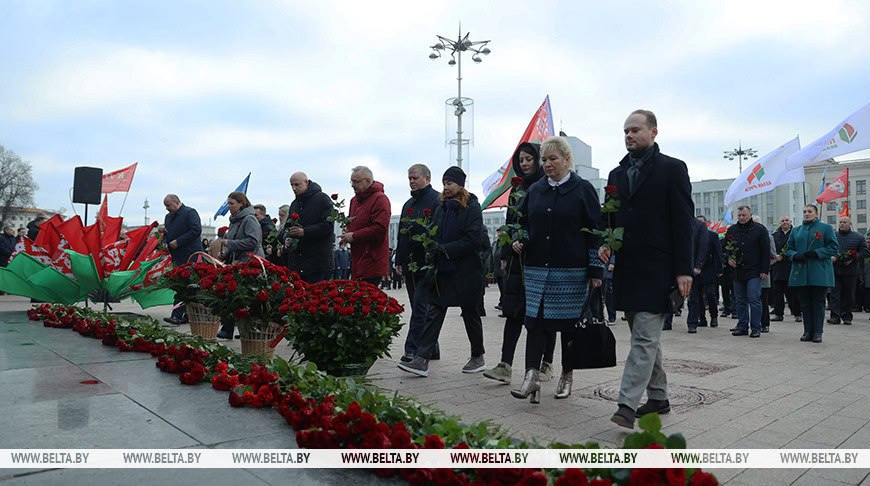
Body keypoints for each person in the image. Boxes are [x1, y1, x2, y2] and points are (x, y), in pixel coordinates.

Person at [600, 109, 694, 429]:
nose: (629, 135)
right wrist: (605, 242)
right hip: (626, 269)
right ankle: (659, 396)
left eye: (636, 130)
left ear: (654, 132)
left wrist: (684, 270)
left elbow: (683, 223)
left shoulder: (672, 169)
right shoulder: (616, 174)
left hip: (659, 269)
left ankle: (626, 404)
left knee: (643, 338)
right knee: (644, 337)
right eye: (626, 131)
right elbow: (609, 217)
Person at [506, 137, 603, 403]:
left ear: (567, 160)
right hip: (537, 271)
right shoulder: (536, 190)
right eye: (544, 160)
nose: (547, 164)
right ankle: (530, 377)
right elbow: (521, 222)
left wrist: (596, 270)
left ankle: (567, 375)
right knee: (534, 324)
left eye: (553, 159)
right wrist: (520, 237)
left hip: (571, 272)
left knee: (569, 328)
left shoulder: (583, 189)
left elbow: (596, 231)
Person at [398, 166, 486, 377]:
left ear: (460, 185)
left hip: (467, 272)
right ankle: (422, 358)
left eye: (450, 183)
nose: (446, 187)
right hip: (444, 271)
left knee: (470, 313)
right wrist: (431, 247)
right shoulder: (441, 208)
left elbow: (473, 240)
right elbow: (435, 233)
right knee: (435, 311)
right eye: (444, 183)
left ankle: (477, 356)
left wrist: (446, 249)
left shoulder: (472, 207)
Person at [483, 142, 558, 385]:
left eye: (529, 159)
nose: (525, 164)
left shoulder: (548, 187)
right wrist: (506, 252)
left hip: (542, 261)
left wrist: (528, 239)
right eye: (521, 160)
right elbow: (510, 224)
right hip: (518, 261)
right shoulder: (516, 191)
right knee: (513, 312)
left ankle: (546, 363)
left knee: (545, 316)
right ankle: (505, 365)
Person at [395, 164, 442, 363]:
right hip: (410, 265)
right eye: (409, 179)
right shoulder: (408, 205)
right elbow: (402, 234)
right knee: (418, 306)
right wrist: (399, 260)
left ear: (427, 178)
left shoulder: (438, 201)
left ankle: (412, 350)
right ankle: (432, 348)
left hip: (427, 263)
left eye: (415, 178)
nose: (412, 182)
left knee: (422, 306)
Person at [786, 204, 838, 343]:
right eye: (804, 211)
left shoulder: (826, 228)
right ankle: (807, 330)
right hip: (801, 271)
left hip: (819, 271)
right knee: (804, 303)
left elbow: (834, 247)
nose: (807, 214)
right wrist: (795, 255)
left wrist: (817, 253)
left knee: (818, 302)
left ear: (816, 213)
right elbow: (789, 248)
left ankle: (818, 332)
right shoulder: (796, 231)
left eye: (810, 211)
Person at [217, 191, 264, 339]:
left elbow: (253, 241)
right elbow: (234, 243)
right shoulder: (235, 221)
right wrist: (225, 253)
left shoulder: (249, 219)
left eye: (231, 203)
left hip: (251, 263)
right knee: (234, 295)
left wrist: (230, 243)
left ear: (241, 204)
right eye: (228, 203)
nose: (228, 206)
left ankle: (241, 329)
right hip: (239, 262)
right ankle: (230, 328)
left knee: (244, 297)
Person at [725, 206, 770, 338]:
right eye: (739, 215)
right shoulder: (732, 230)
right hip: (738, 271)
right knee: (740, 300)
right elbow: (725, 248)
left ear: (750, 215)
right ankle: (742, 325)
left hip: (754, 271)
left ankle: (756, 327)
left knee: (754, 298)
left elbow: (765, 251)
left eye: (744, 215)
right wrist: (728, 258)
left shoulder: (760, 229)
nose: (741, 217)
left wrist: (764, 269)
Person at [341, 166, 391, 285]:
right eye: (351, 181)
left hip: (372, 260)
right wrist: (347, 232)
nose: (352, 185)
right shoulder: (354, 201)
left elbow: (379, 229)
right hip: (357, 260)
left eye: (355, 182)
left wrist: (354, 236)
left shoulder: (380, 199)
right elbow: (352, 223)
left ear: (367, 181)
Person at [285, 172, 335, 284]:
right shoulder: (295, 204)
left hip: (317, 263)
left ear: (306, 182)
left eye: (297, 185)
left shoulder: (322, 199)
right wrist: (287, 238)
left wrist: (304, 232)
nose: (294, 188)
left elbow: (328, 226)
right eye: (291, 185)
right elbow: (287, 228)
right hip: (298, 262)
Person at [162, 194, 202, 325]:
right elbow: (167, 234)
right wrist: (165, 243)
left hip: (191, 255)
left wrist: (178, 242)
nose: (167, 209)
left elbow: (196, 230)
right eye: (165, 206)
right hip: (177, 257)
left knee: (186, 285)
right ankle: (184, 315)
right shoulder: (168, 217)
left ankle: (179, 315)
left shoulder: (190, 212)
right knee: (181, 285)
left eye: (168, 205)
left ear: (177, 202)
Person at [828, 216, 868, 326]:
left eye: (844, 222)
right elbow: (828, 249)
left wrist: (853, 257)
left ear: (850, 224)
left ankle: (846, 316)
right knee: (834, 294)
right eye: (840, 222)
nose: (842, 224)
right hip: (835, 271)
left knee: (849, 295)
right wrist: (831, 257)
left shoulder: (858, 237)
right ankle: (835, 317)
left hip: (851, 271)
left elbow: (865, 252)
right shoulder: (833, 236)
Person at [771, 216, 800, 322]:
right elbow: (770, 249)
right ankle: (778, 314)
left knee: (793, 293)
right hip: (778, 267)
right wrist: (775, 256)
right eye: (782, 221)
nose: (785, 222)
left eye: (787, 220)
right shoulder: (774, 235)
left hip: (791, 266)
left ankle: (797, 313)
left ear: (791, 222)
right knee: (777, 293)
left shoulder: (796, 233)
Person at [695, 220, 723, 328]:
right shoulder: (692, 234)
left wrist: (720, 269)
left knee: (710, 294)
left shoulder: (712, 235)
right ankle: (701, 318)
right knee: (698, 296)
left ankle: (714, 317)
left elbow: (718, 253)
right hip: (696, 269)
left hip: (709, 269)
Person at [685, 216, 709, 333]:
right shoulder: (674, 222)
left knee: (693, 297)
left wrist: (698, 265)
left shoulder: (699, 225)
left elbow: (703, 246)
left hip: (692, 267)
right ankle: (667, 321)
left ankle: (692, 323)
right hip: (676, 265)